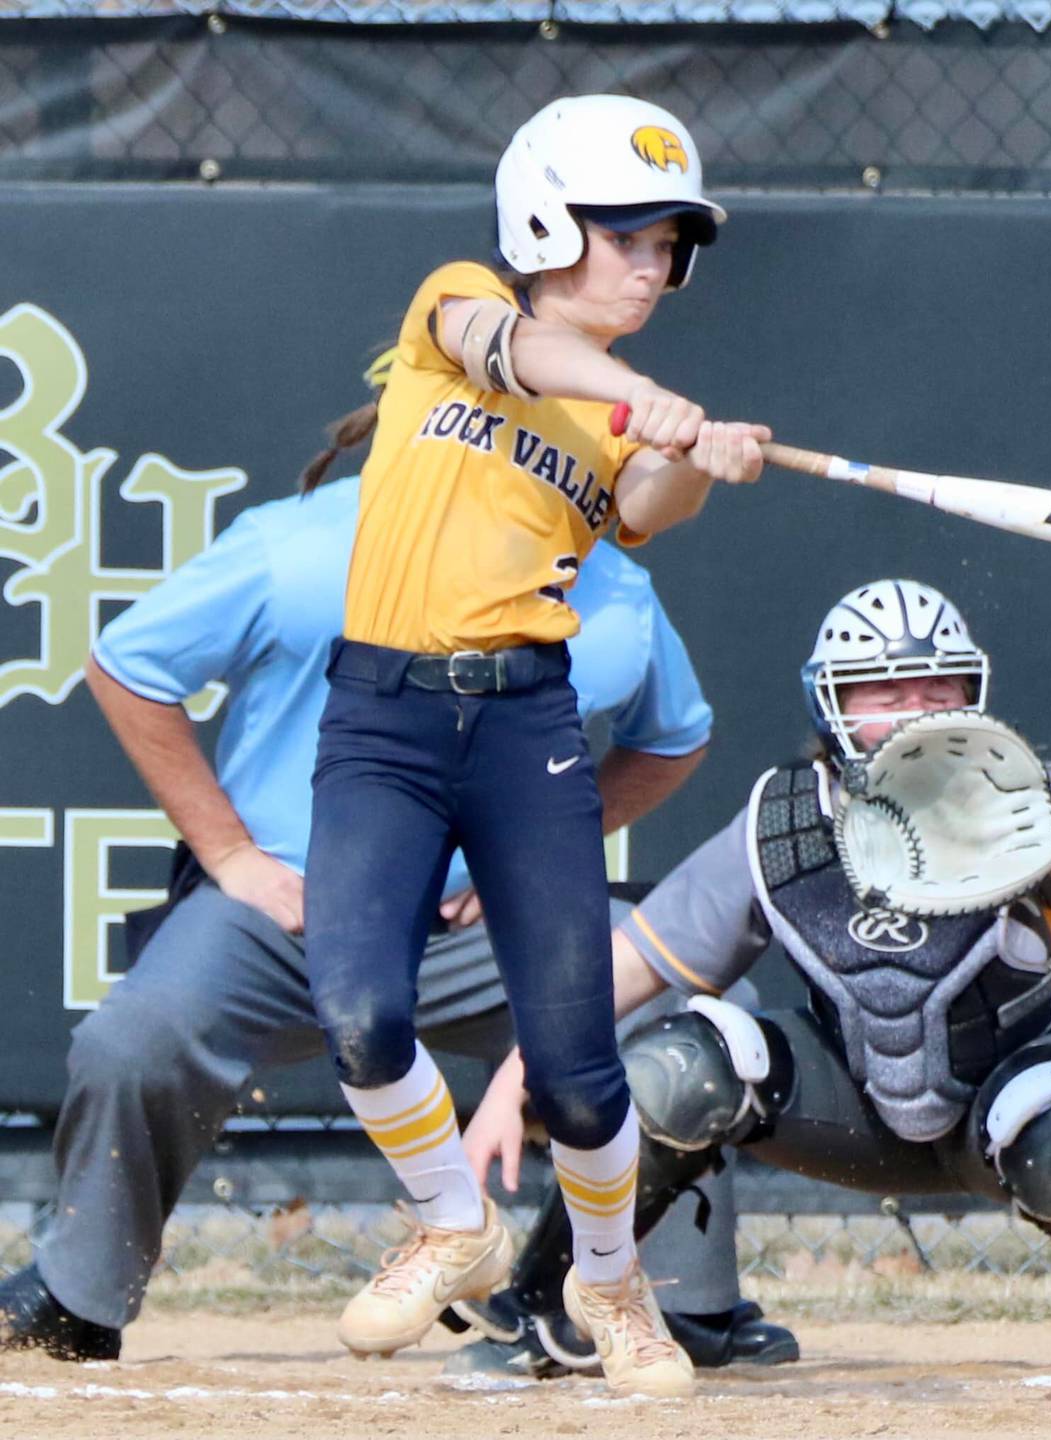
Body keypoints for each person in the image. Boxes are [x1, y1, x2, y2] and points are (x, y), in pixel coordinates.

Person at [0, 456, 792, 1372]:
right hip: (291, 909)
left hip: (473, 926)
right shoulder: (303, 545)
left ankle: (662, 1305)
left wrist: (526, 857)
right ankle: (79, 1294)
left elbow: (672, 737)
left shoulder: (606, 578)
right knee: (131, 1043)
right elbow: (128, 664)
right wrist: (229, 856)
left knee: (668, 1017)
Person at [469, 579, 1051, 1373]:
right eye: (884, 691)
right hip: (857, 1105)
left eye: (936, 686)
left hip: (1024, 1104)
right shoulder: (788, 820)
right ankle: (545, 1306)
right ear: (832, 704)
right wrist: (513, 1079)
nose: (913, 709)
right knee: (674, 1069)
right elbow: (633, 961)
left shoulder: (1021, 795)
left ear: (971, 695)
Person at [299, 93, 768, 1398]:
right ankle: (454, 1223)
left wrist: (698, 451)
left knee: (573, 1062)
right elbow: (511, 350)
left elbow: (642, 507)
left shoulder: (623, 404)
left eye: (670, 243)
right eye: (630, 234)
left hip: (523, 725)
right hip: (383, 716)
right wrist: (650, 399)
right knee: (357, 1011)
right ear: (547, 219)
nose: (655, 265)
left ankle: (610, 1281)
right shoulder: (456, 302)